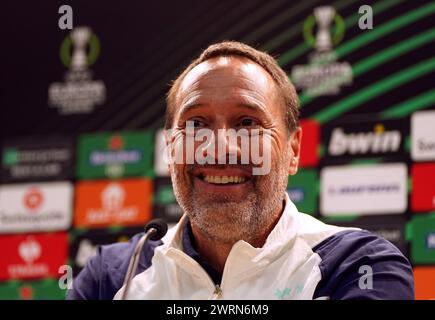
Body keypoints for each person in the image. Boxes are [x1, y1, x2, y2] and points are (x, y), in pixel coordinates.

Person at [67, 41, 414, 300]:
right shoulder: (113, 277)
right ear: (171, 149)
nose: (220, 147)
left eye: (247, 122)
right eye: (196, 123)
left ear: (293, 150)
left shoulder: (358, 265)